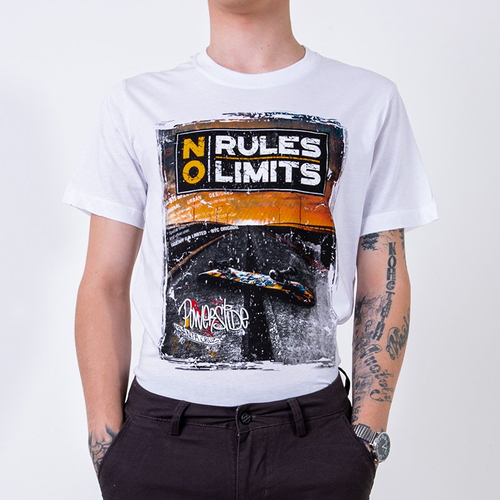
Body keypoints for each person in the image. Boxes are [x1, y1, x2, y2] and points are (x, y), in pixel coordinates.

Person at [62, 1, 439, 499]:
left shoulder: (369, 99)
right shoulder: (135, 102)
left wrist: (365, 438)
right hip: (162, 439)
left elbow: (382, 282)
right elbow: (103, 282)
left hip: (313, 441)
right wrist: (109, 449)